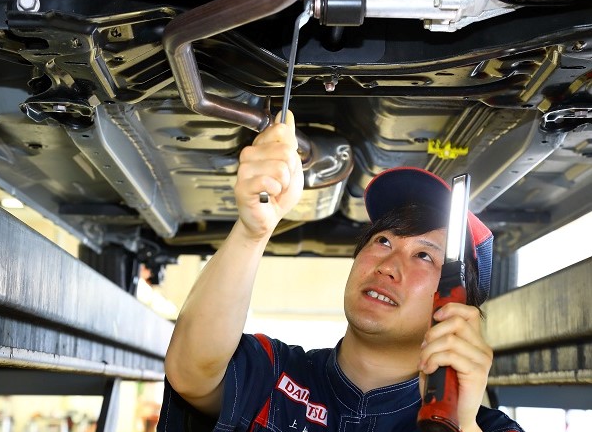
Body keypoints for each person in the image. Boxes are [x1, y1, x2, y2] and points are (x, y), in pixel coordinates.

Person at [156, 111, 524, 432]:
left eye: (425, 256)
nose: (388, 266)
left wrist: (456, 423)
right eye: (382, 241)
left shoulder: (487, 429)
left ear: (455, 308)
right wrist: (253, 232)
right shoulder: (275, 372)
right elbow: (191, 372)